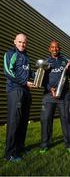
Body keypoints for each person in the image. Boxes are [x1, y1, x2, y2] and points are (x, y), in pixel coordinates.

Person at [40, 40, 70, 154]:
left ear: (59, 49)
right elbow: (41, 79)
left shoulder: (65, 60)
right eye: (52, 47)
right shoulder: (45, 62)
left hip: (64, 95)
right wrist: (50, 87)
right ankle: (45, 144)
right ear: (49, 49)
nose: (54, 49)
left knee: (66, 120)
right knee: (45, 119)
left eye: (56, 47)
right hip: (48, 95)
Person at [3, 33, 35, 161]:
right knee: (14, 121)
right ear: (15, 42)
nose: (22, 44)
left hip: (26, 91)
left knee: (23, 121)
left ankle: (20, 148)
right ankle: (10, 153)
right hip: (15, 90)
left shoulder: (26, 56)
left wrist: (40, 73)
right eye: (20, 42)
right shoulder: (10, 54)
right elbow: (8, 71)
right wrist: (24, 82)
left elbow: (29, 73)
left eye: (24, 42)